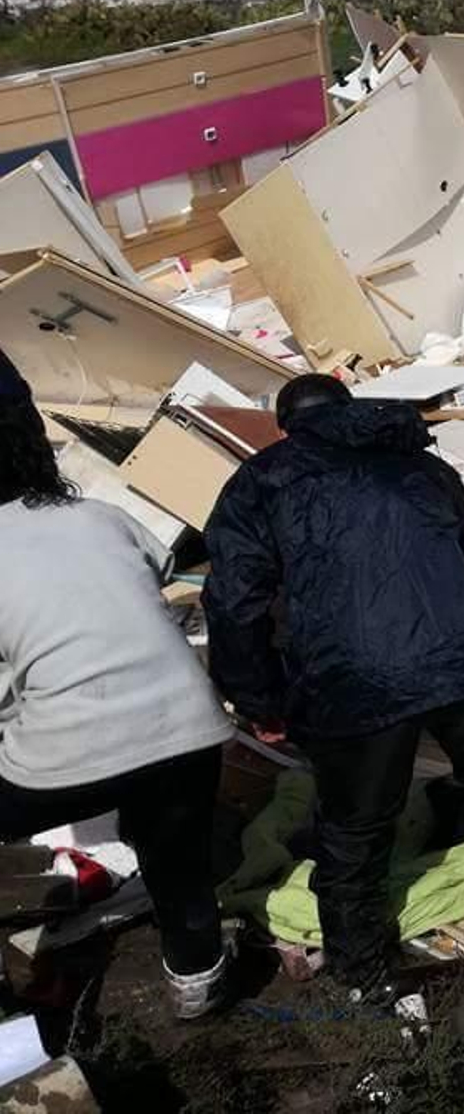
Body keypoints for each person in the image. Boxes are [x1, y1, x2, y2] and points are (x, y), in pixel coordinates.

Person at [203, 374, 464, 999]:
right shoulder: (422, 468)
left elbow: (234, 602)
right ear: (351, 413)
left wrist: (258, 697)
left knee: (355, 833)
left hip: (355, 670)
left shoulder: (260, 481)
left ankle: (363, 974)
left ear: (287, 424)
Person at [0, 350, 232, 1018]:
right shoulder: (99, 517)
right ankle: (198, 987)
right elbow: (147, 578)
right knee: (178, 859)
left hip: (68, 755)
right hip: (190, 729)